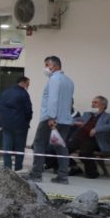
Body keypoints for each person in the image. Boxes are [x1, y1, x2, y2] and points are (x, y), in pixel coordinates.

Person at [26, 55, 75, 184]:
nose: (45, 68)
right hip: (65, 120)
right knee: (60, 147)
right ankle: (63, 176)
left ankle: (36, 174)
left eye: (47, 65)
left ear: (55, 66)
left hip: (50, 118)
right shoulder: (69, 81)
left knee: (39, 144)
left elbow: (53, 99)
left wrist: (52, 117)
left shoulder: (54, 79)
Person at [67, 96, 110, 179]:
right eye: (92, 102)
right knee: (63, 149)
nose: (93, 104)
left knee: (84, 152)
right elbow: (75, 119)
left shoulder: (109, 116)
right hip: (80, 138)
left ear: (103, 105)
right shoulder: (87, 114)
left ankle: (92, 173)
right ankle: (75, 168)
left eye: (95, 102)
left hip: (96, 140)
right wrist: (74, 122)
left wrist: (96, 129)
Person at [0, 76, 33, 171]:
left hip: (6, 124)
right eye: (28, 84)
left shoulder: (5, 92)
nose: (28, 86)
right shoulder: (24, 93)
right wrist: (27, 120)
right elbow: (28, 110)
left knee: (7, 147)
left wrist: (3, 118)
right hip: (20, 125)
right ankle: (18, 168)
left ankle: (7, 169)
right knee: (19, 148)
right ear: (23, 82)